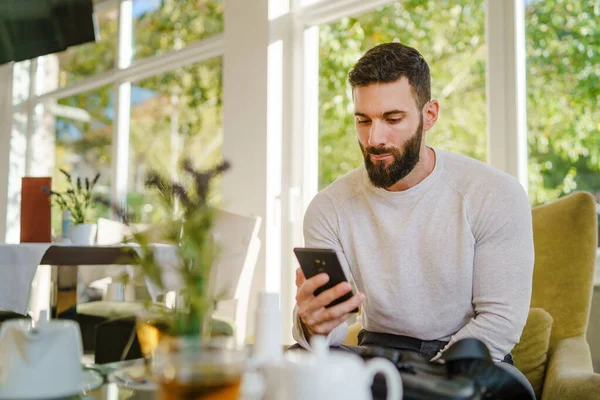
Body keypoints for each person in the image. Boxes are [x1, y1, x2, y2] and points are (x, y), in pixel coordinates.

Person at [291, 42, 534, 370]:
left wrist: (422, 380)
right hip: (379, 353)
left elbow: (500, 321)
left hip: (471, 359)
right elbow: (333, 328)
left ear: (429, 114)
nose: (375, 138)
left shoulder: (495, 193)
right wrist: (313, 325)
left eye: (392, 119)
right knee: (292, 361)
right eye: (363, 120)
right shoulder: (329, 208)